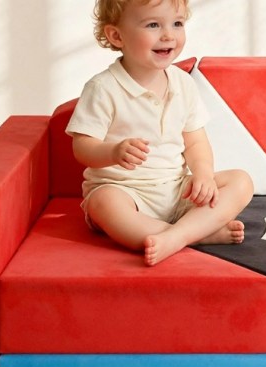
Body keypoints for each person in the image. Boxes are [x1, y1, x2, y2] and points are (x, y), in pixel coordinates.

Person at [67, 0, 253, 266]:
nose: (168, 35)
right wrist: (114, 151)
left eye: (177, 23)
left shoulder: (183, 83)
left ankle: (177, 235)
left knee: (241, 181)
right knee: (103, 203)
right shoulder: (103, 88)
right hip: (125, 192)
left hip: (176, 189)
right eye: (153, 24)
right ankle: (193, 234)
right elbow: (82, 147)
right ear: (116, 36)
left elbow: (196, 141)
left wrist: (202, 174)